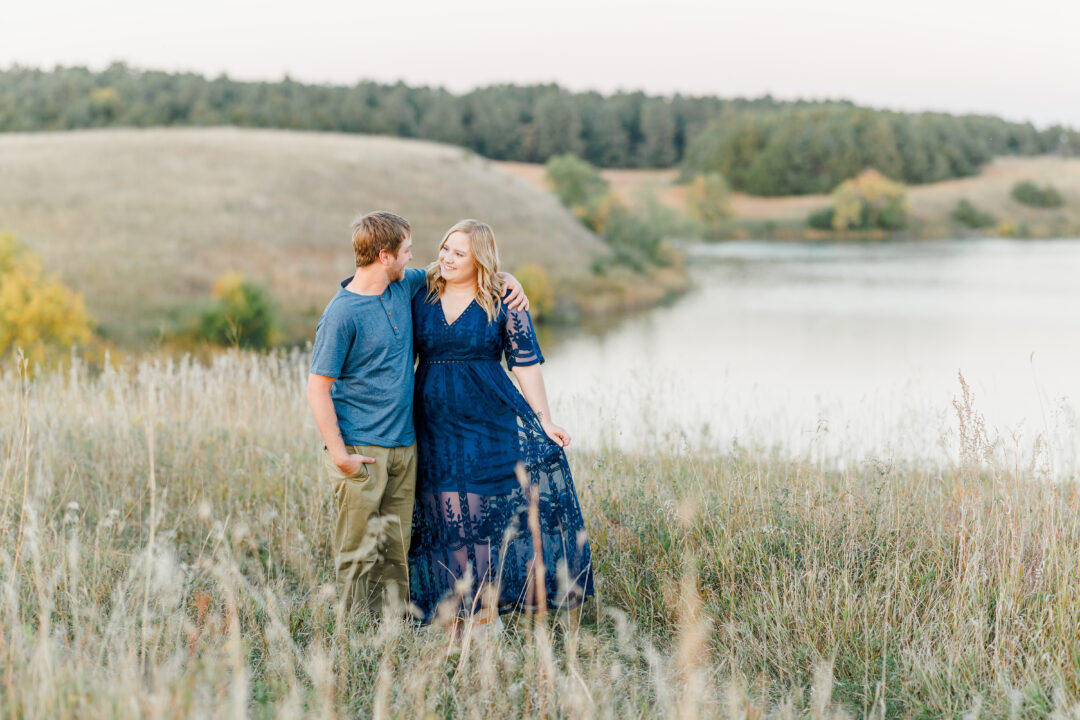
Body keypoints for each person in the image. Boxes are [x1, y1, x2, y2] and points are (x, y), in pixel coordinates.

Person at [307, 211, 528, 618]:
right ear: (386, 256)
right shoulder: (341, 314)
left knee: (396, 546)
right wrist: (339, 454)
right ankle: (355, 634)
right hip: (360, 446)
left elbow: (461, 267)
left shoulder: (403, 286)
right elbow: (317, 389)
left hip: (406, 447)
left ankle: (392, 626)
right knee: (358, 549)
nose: (415, 257)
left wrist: (507, 279)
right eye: (407, 250)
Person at [408, 219, 594, 624]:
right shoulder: (421, 292)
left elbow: (525, 366)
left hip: (487, 420)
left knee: (478, 518)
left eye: (460, 253)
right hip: (433, 424)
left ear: (481, 259)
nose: (447, 258)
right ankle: (457, 607)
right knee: (445, 513)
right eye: (445, 249)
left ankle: (481, 610)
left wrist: (544, 421)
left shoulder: (503, 298)